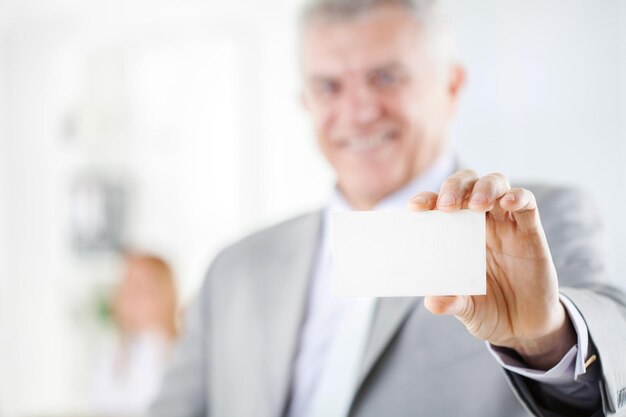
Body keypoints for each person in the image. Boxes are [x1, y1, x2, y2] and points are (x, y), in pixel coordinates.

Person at [149, 0, 626, 416]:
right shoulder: (236, 266)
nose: (359, 111)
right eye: (329, 87)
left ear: (452, 86)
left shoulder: (526, 223)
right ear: (305, 103)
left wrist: (544, 343)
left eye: (386, 77)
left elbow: (612, 358)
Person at [91, 253, 179, 416]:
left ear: (166, 294)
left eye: (143, 287)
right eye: (126, 286)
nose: (132, 296)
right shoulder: (110, 355)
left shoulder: (179, 355)